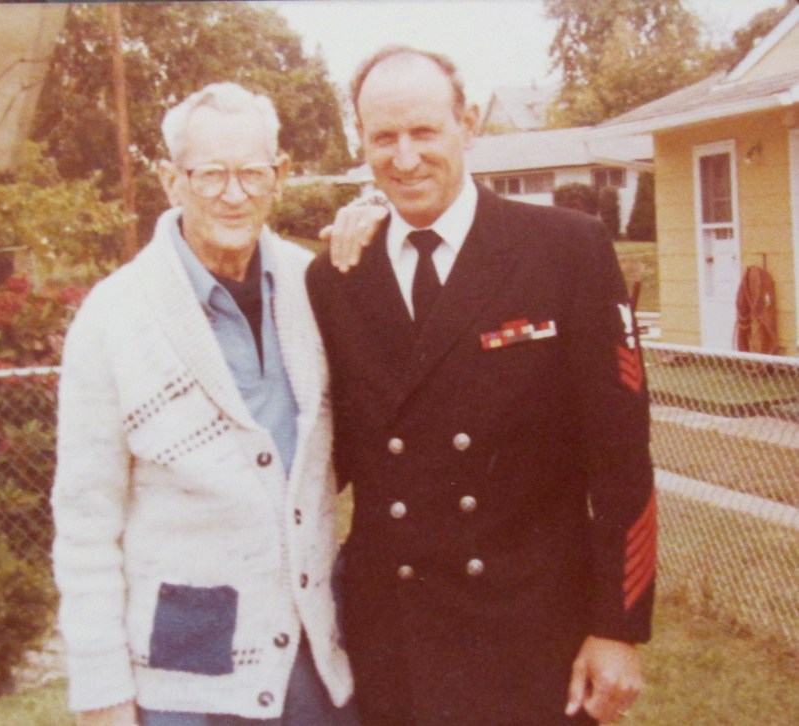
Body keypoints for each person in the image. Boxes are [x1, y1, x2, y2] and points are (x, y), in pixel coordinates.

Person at [306, 46, 656, 726]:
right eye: (383, 138)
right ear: (361, 143)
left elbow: (621, 457)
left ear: (467, 124)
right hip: (395, 643)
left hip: (533, 638)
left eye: (423, 132)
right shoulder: (337, 279)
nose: (404, 158)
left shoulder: (564, 250)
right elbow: (328, 454)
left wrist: (618, 627)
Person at [51, 82, 356, 726]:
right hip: (183, 682)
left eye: (252, 173)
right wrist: (103, 693)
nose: (234, 193)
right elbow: (85, 521)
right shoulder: (113, 317)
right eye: (211, 174)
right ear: (171, 180)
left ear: (280, 176)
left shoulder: (314, 288)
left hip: (313, 666)